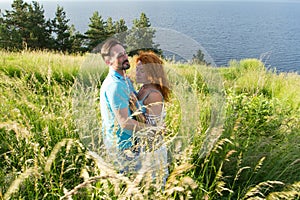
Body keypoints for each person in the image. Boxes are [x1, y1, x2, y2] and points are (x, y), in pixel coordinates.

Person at [99, 39, 149, 171]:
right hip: (123, 148)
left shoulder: (125, 79)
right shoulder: (115, 85)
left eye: (125, 53)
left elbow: (133, 105)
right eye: (119, 56)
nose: (125, 57)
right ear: (108, 62)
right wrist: (153, 130)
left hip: (132, 143)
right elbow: (125, 123)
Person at [130, 51, 171, 186]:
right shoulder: (143, 88)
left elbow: (153, 131)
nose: (137, 73)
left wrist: (135, 109)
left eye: (142, 71)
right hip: (140, 147)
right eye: (137, 70)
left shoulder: (154, 95)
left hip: (152, 150)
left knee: (153, 187)